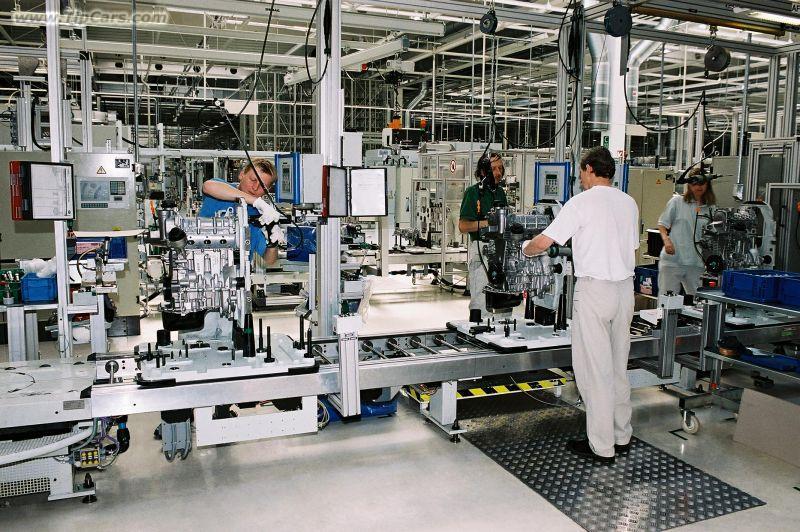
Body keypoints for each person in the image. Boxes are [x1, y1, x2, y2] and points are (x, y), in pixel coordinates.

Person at [521, 146, 639, 464]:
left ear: (588, 169)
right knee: (618, 367)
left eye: (582, 173)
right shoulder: (628, 203)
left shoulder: (581, 202)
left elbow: (545, 242)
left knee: (595, 370)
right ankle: (621, 435)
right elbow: (631, 247)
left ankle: (602, 446)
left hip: (595, 292)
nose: (581, 179)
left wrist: (525, 248)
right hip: (624, 291)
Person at [200, 158, 283, 264]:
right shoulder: (222, 188)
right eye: (253, 180)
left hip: (236, 271)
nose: (255, 187)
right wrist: (257, 202)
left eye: (263, 186)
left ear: (268, 190)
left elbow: (269, 261)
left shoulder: (260, 217)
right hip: (199, 260)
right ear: (241, 174)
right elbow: (207, 186)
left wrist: (273, 242)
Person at [458, 152, 507, 323]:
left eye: (500, 168)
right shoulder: (473, 193)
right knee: (481, 297)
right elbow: (463, 226)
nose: (498, 173)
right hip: (481, 248)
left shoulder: (500, 193)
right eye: (494, 169)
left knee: (502, 296)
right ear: (483, 171)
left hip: (500, 249)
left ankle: (501, 330)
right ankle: (479, 329)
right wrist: (488, 223)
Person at [657, 168, 715, 300]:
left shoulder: (711, 208)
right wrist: (666, 241)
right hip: (673, 261)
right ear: (689, 184)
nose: (699, 186)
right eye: (695, 183)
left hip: (696, 262)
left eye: (702, 183)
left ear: (708, 184)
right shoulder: (677, 202)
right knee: (668, 302)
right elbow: (662, 224)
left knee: (697, 302)